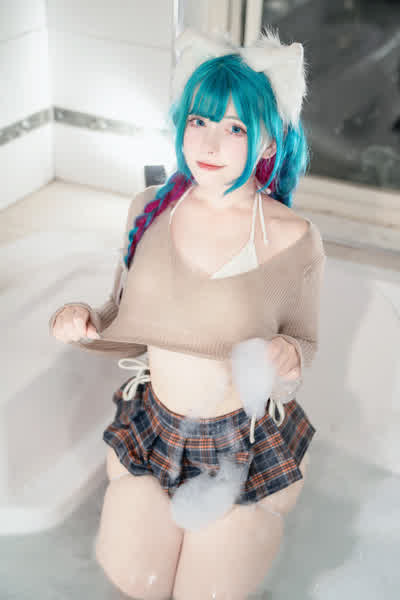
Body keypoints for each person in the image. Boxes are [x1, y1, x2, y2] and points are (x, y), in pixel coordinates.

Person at [49, 26, 326, 600]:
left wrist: (286, 353)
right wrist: (83, 320)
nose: (210, 143)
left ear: (269, 144)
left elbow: (305, 342)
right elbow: (123, 318)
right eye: (199, 120)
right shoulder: (148, 211)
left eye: (236, 128)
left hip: (242, 450)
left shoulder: (291, 236)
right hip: (154, 430)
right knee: (136, 585)